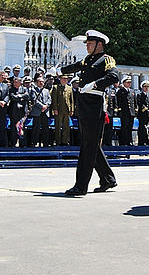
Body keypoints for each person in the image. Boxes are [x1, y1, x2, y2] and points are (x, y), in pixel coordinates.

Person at [61, 30, 119, 195]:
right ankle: (108, 179)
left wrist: (94, 84)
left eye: (90, 43)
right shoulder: (87, 60)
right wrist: (59, 71)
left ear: (99, 44)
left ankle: (80, 185)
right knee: (91, 144)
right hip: (84, 106)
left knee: (87, 147)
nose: (87, 46)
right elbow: (74, 67)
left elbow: (114, 77)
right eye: (87, 43)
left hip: (94, 106)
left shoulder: (106, 59)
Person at [51, 73, 74, 146]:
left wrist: (72, 109)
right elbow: (54, 99)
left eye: (66, 79)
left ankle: (65, 141)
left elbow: (71, 100)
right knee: (58, 126)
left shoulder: (69, 88)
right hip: (59, 109)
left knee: (66, 126)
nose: (65, 80)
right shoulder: (56, 87)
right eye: (63, 79)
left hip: (67, 110)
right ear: (60, 79)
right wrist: (55, 109)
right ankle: (58, 141)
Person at [28, 75, 52, 146]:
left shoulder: (46, 90)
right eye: (40, 82)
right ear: (36, 83)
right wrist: (42, 106)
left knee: (45, 128)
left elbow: (49, 99)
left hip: (45, 112)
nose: (41, 83)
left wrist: (46, 106)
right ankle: (35, 143)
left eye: (42, 82)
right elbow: (34, 100)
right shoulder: (33, 90)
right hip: (37, 112)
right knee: (36, 128)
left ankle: (45, 143)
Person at [9, 76, 31, 146]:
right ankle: (13, 142)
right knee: (14, 127)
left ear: (20, 83)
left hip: (22, 111)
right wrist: (21, 97)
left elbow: (27, 96)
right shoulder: (11, 89)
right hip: (14, 111)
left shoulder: (24, 89)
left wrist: (19, 96)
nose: (15, 84)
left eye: (16, 82)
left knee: (22, 127)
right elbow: (13, 97)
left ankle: (22, 143)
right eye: (14, 82)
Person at [115, 76, 136, 145]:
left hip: (131, 112)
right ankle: (123, 142)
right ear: (123, 83)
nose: (129, 84)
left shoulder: (132, 91)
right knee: (124, 127)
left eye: (130, 82)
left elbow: (134, 102)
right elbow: (118, 101)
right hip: (124, 112)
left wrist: (135, 110)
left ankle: (129, 141)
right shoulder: (120, 91)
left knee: (130, 127)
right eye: (128, 82)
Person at [136, 80, 149, 146]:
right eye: (145, 86)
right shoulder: (139, 95)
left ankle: (147, 143)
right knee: (142, 130)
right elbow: (140, 104)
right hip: (142, 115)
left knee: (148, 130)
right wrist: (147, 109)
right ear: (142, 87)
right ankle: (141, 144)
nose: (146, 88)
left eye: (147, 86)